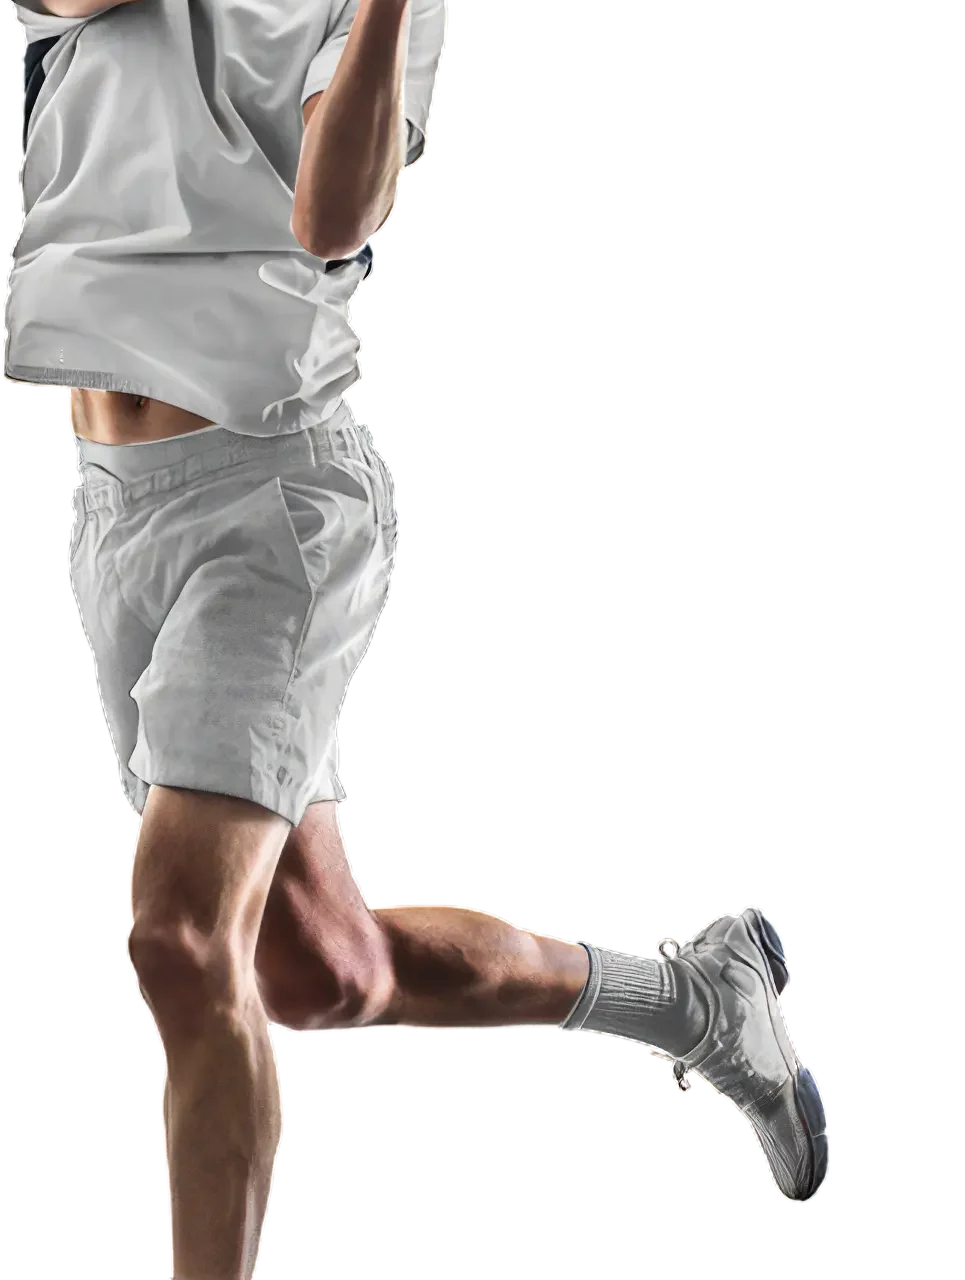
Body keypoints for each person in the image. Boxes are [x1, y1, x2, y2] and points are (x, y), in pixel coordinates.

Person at [6, 2, 830, 1275]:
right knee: (317, 971)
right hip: (111, 512)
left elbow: (333, 219)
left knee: (180, 934)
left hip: (270, 502)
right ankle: (693, 1000)